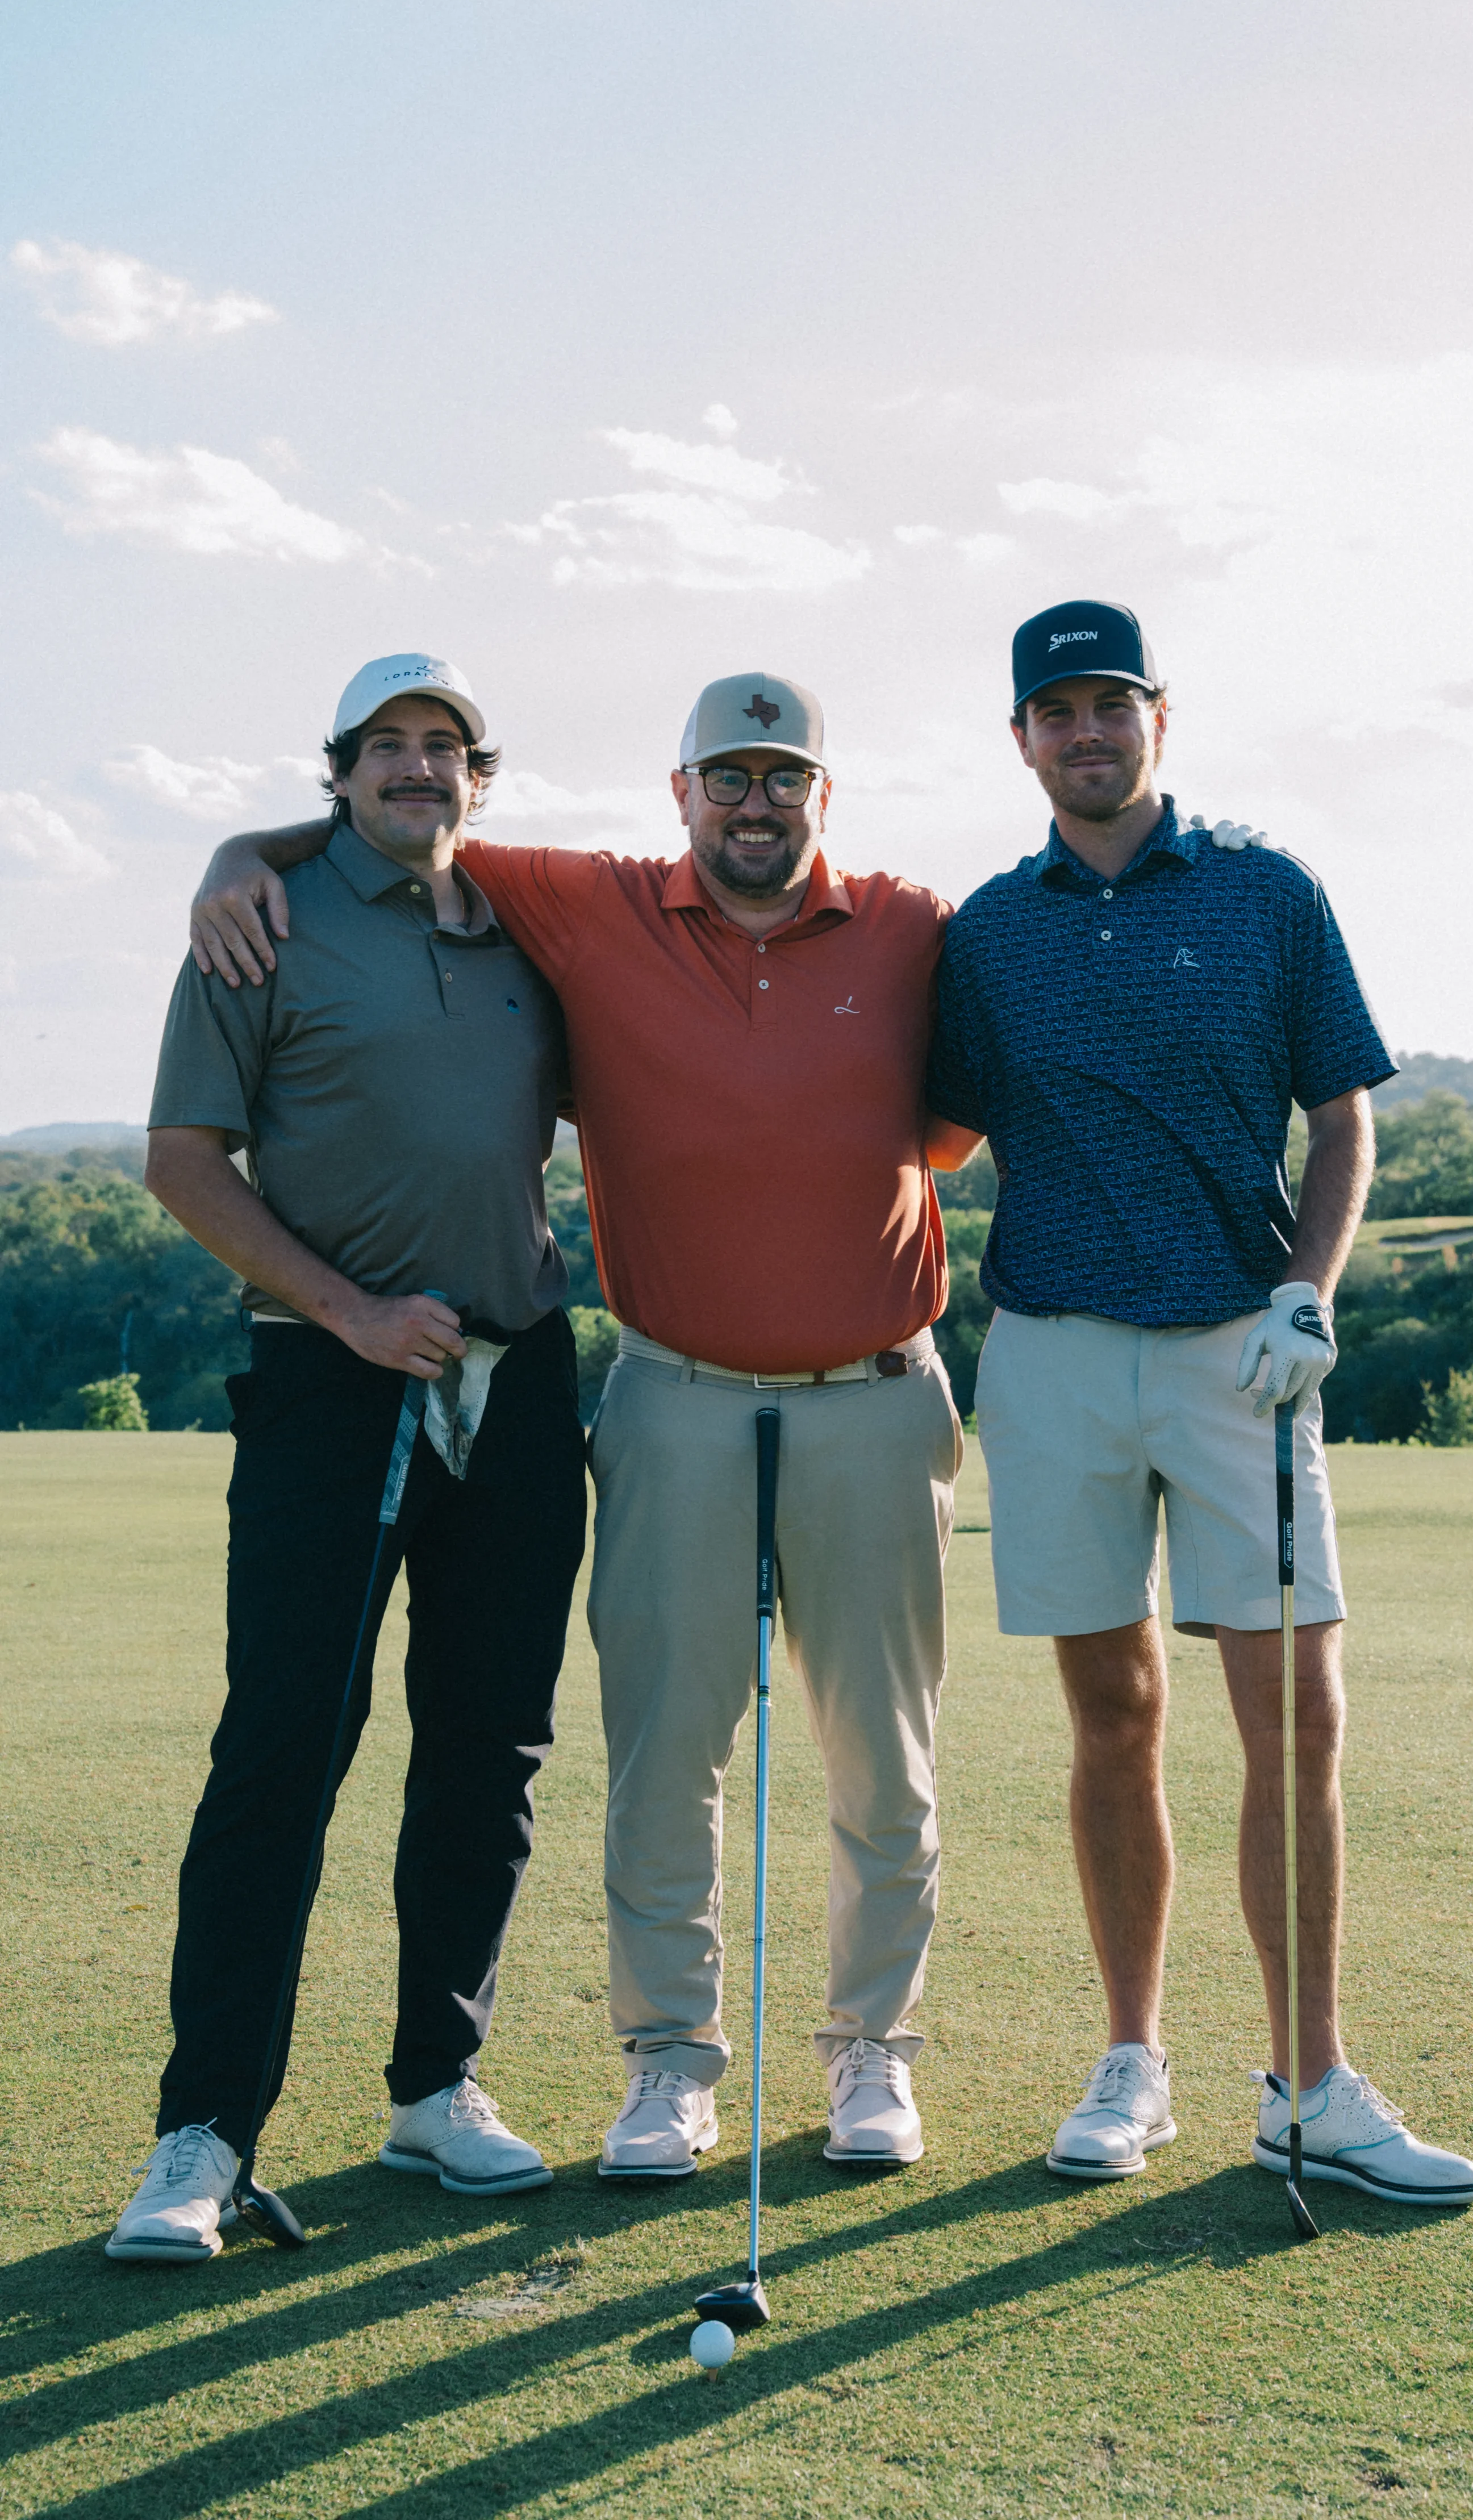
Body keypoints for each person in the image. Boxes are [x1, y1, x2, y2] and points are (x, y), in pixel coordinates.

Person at [187, 674, 970, 2179]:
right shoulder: (586, 903)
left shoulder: (910, 925)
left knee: (884, 1751)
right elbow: (404, 821)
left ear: (825, 794)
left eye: (782, 776)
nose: (754, 803)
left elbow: (951, 1118)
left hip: (875, 1394)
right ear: (677, 795)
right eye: (725, 777)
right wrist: (245, 849)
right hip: (671, 1393)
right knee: (662, 1747)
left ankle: (873, 2051)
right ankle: (669, 2060)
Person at [925, 599, 1473, 2210]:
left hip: (1245, 1347)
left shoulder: (1265, 891)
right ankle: (1131, 2063)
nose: (1084, 733)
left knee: (1293, 1719)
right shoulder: (984, 929)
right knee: (1112, 1721)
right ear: (1020, 739)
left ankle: (1306, 2083)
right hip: (1050, 1351)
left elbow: (1341, 1114)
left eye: (1111, 706)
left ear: (1158, 719)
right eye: (1055, 712)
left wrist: (1309, 1288)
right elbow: (928, 1130)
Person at [108, 655, 586, 2263]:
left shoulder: (529, 925)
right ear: (338, 774)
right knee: (285, 1748)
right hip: (329, 1377)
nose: (417, 771)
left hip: (516, 1386)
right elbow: (185, 1160)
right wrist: (352, 1311)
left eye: (444, 748)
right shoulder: (264, 921)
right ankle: (203, 2134)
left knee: (490, 1749)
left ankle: (436, 2086)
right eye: (386, 747)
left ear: (480, 778)